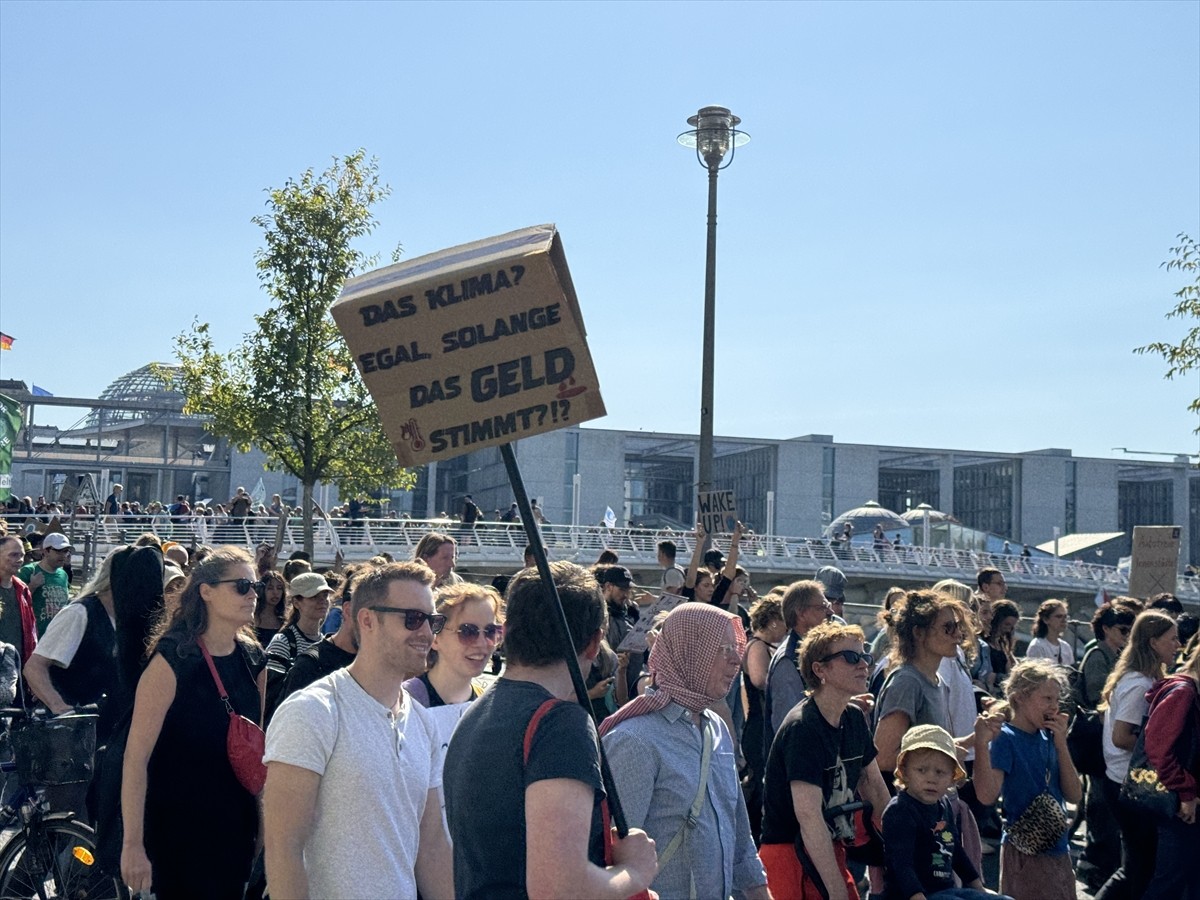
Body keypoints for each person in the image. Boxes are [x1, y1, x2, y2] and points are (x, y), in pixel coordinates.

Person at [444, 561, 657, 899]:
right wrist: (633, 872)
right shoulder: (560, 723)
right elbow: (558, 888)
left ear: (508, 629)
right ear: (594, 643)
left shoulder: (476, 714)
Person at [263, 561, 454, 900]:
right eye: (412, 619)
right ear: (367, 620)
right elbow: (283, 849)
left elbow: (433, 847)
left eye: (432, 621)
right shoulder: (313, 711)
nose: (427, 633)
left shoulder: (423, 722)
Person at [120, 547, 267, 899]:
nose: (253, 596)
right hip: (175, 829)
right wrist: (132, 845)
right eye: (242, 586)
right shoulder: (173, 658)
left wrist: (264, 825)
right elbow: (135, 758)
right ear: (206, 591)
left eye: (256, 587)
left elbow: (253, 751)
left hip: (234, 827)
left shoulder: (254, 659)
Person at [600, 603, 769, 900]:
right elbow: (614, 859)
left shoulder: (715, 728)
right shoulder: (635, 741)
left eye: (736, 649)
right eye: (723, 649)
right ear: (691, 652)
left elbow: (741, 841)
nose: (735, 661)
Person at [759, 621, 892, 900]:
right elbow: (808, 816)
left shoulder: (854, 718)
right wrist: (835, 891)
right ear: (820, 670)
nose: (863, 665)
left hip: (828, 847)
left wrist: (905, 855)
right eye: (851, 657)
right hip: (788, 855)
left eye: (865, 656)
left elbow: (877, 791)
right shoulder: (803, 728)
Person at [972, 658, 1082, 900]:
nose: (1054, 706)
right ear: (1020, 697)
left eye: (1056, 699)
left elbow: (1074, 794)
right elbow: (987, 795)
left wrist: (1061, 742)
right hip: (1025, 851)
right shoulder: (1006, 738)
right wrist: (981, 744)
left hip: (1058, 847)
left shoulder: (1049, 736)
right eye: (1046, 699)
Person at [1094, 609, 1181, 900]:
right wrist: (1160, 746)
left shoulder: (1136, 678)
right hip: (1126, 784)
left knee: (1138, 864)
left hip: (1123, 781)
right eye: (1172, 639)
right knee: (1137, 867)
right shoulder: (1138, 685)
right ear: (1153, 642)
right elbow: (1121, 737)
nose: (1177, 645)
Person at [882, 725, 996, 900]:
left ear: (952, 777)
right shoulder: (900, 810)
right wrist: (916, 895)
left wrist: (978, 887)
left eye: (940, 772)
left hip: (945, 889)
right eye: (921, 770)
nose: (931, 778)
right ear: (905, 772)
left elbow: (956, 850)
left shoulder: (943, 805)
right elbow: (901, 863)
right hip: (911, 894)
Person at [1075, 600, 1137, 889]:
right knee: (1099, 803)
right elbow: (1097, 694)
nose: (1127, 635)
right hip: (1098, 740)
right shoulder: (1098, 655)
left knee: (1106, 804)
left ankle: (1104, 860)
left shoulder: (1116, 654)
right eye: (1123, 629)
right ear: (1106, 629)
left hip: (1107, 739)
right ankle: (1094, 861)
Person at [23, 546, 119, 724]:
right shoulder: (79, 613)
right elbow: (34, 667)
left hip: (107, 724)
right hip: (71, 730)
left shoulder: (131, 618)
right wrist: (60, 708)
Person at [1141, 641, 1200, 900]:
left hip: (1186, 799)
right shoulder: (1184, 691)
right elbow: (1157, 747)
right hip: (1180, 803)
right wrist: (1185, 792)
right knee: (1169, 883)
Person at [403, 582, 503, 709]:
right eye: (468, 632)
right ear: (435, 639)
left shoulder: (486, 705)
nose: (482, 643)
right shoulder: (406, 703)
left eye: (491, 631)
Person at [743, 592, 788, 841]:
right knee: (759, 782)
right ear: (772, 621)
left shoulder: (769, 646)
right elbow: (759, 679)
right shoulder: (757, 645)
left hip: (763, 723)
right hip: (758, 725)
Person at [766, 579, 831, 741]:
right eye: (821, 607)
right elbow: (788, 727)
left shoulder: (808, 652)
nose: (829, 612)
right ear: (801, 613)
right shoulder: (788, 660)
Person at [263, 571, 332, 719]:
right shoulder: (283, 642)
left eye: (325, 595)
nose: (323, 601)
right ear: (296, 603)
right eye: (314, 597)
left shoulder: (328, 644)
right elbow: (269, 695)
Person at [18, 532, 72, 634]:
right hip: (33, 636)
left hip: (57, 635)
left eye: (65, 551)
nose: (63, 555)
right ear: (46, 551)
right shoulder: (28, 571)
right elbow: (14, 603)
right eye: (58, 551)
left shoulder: (63, 575)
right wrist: (32, 586)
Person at [0, 534, 38, 667]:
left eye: (22, 555)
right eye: (14, 555)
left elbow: (30, 631)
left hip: (18, 665)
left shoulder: (22, 589)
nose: (20, 560)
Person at [1024, 599, 1074, 665]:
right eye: (1059, 617)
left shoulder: (1066, 647)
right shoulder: (1037, 646)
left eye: (1065, 617)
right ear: (1046, 619)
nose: (1064, 620)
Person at [985, 600, 1020, 692]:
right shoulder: (982, 644)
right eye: (1006, 624)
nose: (1008, 630)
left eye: (1011, 627)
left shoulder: (1003, 644)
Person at [254, 570, 287, 646]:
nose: (275, 592)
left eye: (279, 588)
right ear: (262, 590)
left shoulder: (285, 620)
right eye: (270, 588)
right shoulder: (251, 618)